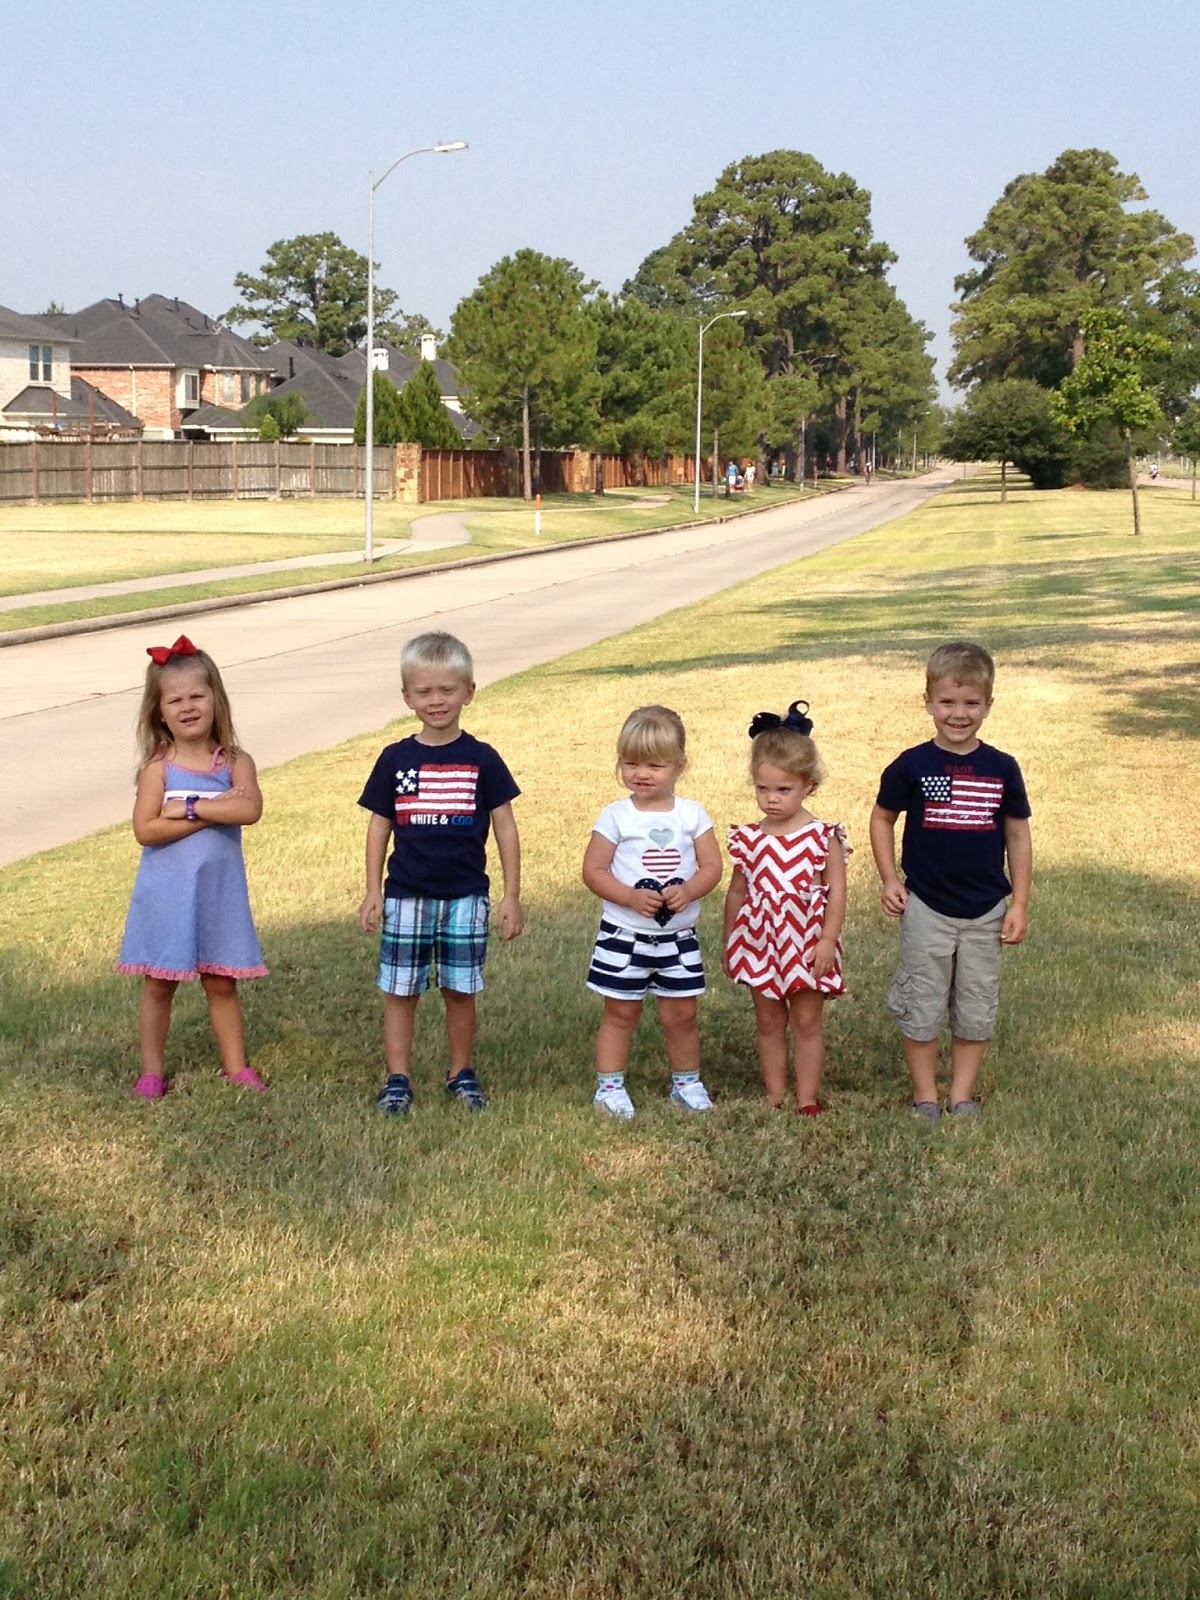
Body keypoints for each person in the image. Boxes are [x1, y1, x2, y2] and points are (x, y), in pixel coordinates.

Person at [358, 631, 522, 1115]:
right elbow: (379, 826)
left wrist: (512, 895)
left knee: (460, 988)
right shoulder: (395, 759)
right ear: (407, 696)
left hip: (465, 896)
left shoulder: (483, 758)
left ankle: (460, 1071)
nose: (436, 701)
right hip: (406, 895)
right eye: (424, 691)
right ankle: (398, 1077)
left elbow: (506, 828)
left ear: (468, 692)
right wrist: (373, 891)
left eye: (447, 690)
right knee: (400, 990)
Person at [869, 642, 1032, 1121]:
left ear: (988, 705)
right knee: (921, 1002)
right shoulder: (912, 765)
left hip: (987, 911)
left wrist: (1020, 902)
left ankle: (961, 1096)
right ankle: (925, 1095)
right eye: (947, 702)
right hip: (926, 907)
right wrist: (889, 878)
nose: (959, 714)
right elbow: (882, 818)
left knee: (976, 1005)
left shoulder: (1002, 768)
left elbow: (1018, 834)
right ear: (927, 702)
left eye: (971, 703)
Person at [117, 635, 267, 1099]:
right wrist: (213, 808)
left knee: (221, 982)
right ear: (158, 712)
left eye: (197, 696)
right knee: (159, 982)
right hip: (167, 895)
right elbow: (146, 829)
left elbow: (249, 809)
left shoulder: (235, 762)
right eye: (174, 700)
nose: (187, 707)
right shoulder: (158, 769)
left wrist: (185, 808)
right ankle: (151, 1071)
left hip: (218, 895)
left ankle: (236, 1068)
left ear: (216, 699)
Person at [583, 706, 722, 1118]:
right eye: (631, 763)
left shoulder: (691, 815)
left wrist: (689, 890)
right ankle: (609, 1088)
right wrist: (629, 897)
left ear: (680, 765)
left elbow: (712, 866)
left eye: (655, 765)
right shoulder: (616, 816)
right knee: (620, 1012)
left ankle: (687, 1083)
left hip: (678, 939)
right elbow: (594, 870)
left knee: (682, 1014)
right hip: (624, 936)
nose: (641, 773)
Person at [723, 701, 849, 1113]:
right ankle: (775, 1094)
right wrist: (731, 941)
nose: (772, 799)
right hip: (761, 943)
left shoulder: (822, 836)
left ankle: (807, 1097)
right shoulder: (748, 838)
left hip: (807, 943)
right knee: (768, 1022)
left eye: (783, 790)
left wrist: (827, 940)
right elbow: (737, 893)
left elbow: (836, 892)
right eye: (763, 789)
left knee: (807, 1023)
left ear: (808, 785)